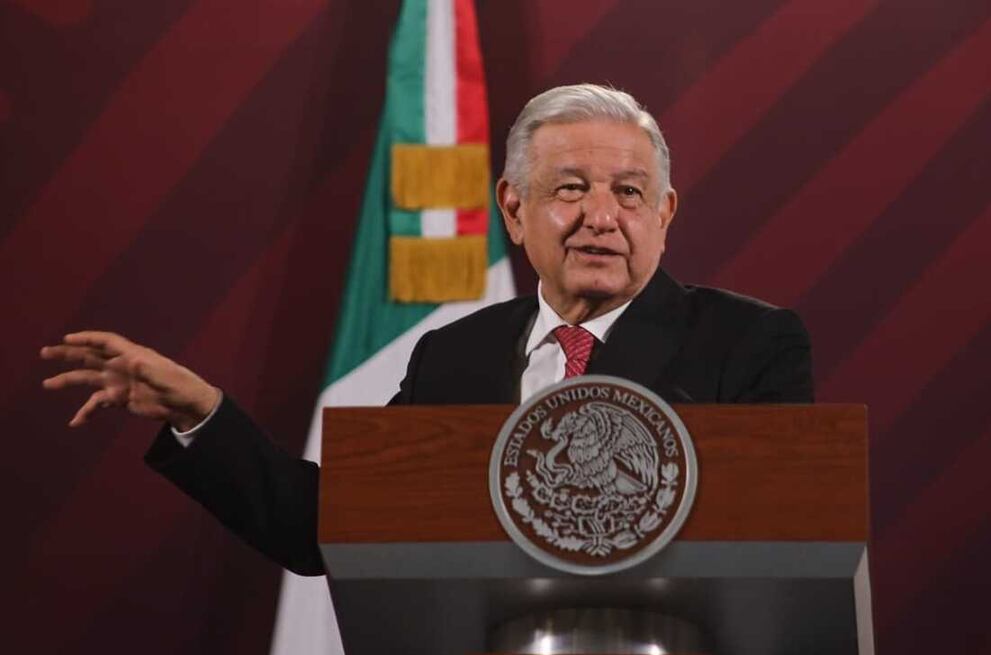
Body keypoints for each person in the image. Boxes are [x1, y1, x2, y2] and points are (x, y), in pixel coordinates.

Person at [42, 84, 813, 575]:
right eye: (569, 189)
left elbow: (783, 547)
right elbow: (331, 528)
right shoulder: (457, 353)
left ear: (664, 215)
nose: (601, 217)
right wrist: (200, 414)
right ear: (513, 209)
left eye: (629, 193)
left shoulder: (749, 343)